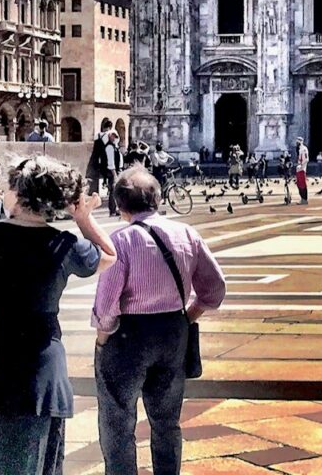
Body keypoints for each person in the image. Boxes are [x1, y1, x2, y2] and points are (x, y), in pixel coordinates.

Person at [0, 155, 115, 475]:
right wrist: (82, 217)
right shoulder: (64, 244)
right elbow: (109, 255)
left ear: (16, 194)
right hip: (43, 380)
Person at [93, 167, 226, 475]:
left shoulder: (120, 241)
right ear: (157, 198)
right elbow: (215, 287)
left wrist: (103, 337)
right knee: (167, 421)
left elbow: (107, 302)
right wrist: (189, 315)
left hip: (129, 336)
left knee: (117, 419)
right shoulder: (186, 233)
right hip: (173, 333)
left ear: (121, 205)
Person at [87, 119, 113, 196]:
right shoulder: (109, 135)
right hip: (106, 157)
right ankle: (108, 187)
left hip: (97, 158)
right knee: (109, 175)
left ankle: (100, 187)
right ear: (110, 127)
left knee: (98, 176)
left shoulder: (97, 135)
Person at [101, 129, 124, 216]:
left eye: (115, 136)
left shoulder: (114, 146)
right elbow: (111, 162)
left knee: (116, 191)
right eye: (113, 136)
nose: (115, 137)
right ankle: (113, 210)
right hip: (113, 171)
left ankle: (115, 209)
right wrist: (114, 174)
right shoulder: (110, 147)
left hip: (117, 170)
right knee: (113, 191)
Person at [294, 138, 309, 204]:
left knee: (302, 184)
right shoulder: (299, 149)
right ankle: (302, 198)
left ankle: (304, 199)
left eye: (298, 142)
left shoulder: (304, 149)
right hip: (298, 168)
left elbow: (306, 159)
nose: (297, 143)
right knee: (298, 184)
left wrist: (302, 166)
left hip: (302, 169)